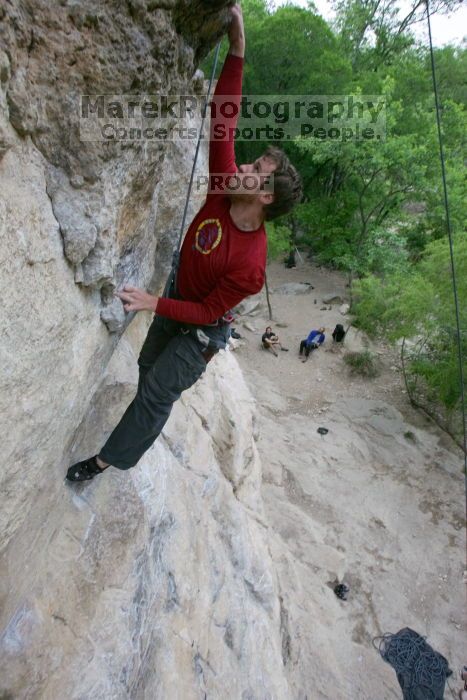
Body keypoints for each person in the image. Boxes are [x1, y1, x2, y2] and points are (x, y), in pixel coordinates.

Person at [67, 4, 303, 482]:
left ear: (263, 197)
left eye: (255, 172)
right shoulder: (223, 186)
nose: (243, 168)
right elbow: (224, 118)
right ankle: (138, 427)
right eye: (253, 163)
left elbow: (208, 315)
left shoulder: (251, 264)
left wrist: (153, 301)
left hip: (200, 332)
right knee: (147, 368)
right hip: (178, 294)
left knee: (156, 392)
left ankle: (105, 461)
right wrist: (237, 49)